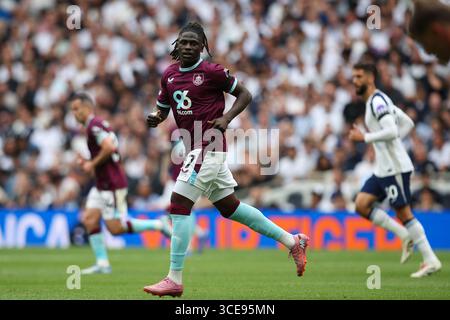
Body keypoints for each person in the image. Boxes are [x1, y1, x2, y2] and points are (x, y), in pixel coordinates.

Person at [143, 22, 309, 297]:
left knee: (179, 204)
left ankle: (174, 278)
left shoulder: (211, 71)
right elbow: (163, 109)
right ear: (176, 45)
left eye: (193, 44)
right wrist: (156, 118)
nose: (187, 47)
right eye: (183, 42)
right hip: (193, 145)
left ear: (202, 47)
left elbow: (245, 94)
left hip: (209, 144)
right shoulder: (169, 75)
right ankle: (292, 241)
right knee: (230, 208)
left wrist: (227, 118)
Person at [349, 63, 442, 278]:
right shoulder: (378, 100)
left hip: (395, 168)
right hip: (383, 168)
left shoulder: (378, 101)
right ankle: (403, 235)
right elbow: (407, 123)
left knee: (403, 212)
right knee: (361, 205)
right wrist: (391, 142)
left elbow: (391, 129)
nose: (355, 81)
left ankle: (431, 260)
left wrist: (366, 137)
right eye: (353, 77)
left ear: (371, 77)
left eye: (359, 76)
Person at [69, 92, 171, 275]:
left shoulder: (94, 126)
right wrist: (90, 162)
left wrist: (91, 163)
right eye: (72, 110)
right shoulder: (97, 125)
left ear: (87, 108)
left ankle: (159, 225)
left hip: (112, 185)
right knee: (89, 218)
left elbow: (109, 147)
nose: (74, 113)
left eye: (77, 109)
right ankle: (102, 264)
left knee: (115, 228)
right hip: (101, 183)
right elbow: (109, 151)